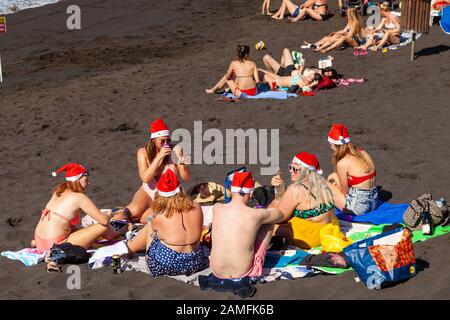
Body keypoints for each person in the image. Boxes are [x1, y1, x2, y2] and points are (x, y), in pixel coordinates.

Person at [126, 169, 207, 277]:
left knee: (150, 228)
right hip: (195, 262)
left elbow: (151, 227)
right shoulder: (196, 206)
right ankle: (130, 247)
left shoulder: (160, 216)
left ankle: (130, 249)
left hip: (167, 265)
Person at [209, 171, 285, 278]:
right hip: (243, 272)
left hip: (216, 271)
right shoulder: (255, 215)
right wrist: (279, 195)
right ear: (252, 192)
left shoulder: (217, 208)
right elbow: (280, 215)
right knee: (269, 221)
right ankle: (256, 258)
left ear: (231, 190)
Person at [33, 163, 115, 253]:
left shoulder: (58, 191)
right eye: (86, 179)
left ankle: (112, 235)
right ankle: (117, 235)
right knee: (103, 225)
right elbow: (104, 221)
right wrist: (110, 214)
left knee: (84, 229)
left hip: (39, 241)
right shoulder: (79, 197)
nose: (88, 183)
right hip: (56, 246)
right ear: (78, 179)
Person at [121, 118, 191, 224]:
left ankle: (150, 214)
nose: (166, 144)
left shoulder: (176, 149)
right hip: (148, 190)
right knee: (133, 212)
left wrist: (183, 164)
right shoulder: (143, 152)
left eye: (168, 140)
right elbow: (145, 178)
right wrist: (159, 157)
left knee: (148, 218)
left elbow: (186, 177)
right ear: (153, 140)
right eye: (162, 141)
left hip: (169, 194)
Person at [269, 152, 338, 249]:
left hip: (313, 238)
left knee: (267, 226)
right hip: (331, 230)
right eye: (290, 167)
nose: (290, 171)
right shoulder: (323, 183)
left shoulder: (296, 189)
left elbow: (279, 217)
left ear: (305, 171)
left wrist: (279, 195)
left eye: (294, 169)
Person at [326, 124, 378, 215]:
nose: (330, 147)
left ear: (335, 144)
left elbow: (344, 192)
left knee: (325, 185)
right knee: (336, 184)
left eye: (331, 144)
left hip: (357, 208)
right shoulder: (362, 152)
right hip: (374, 203)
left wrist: (335, 176)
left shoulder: (343, 163)